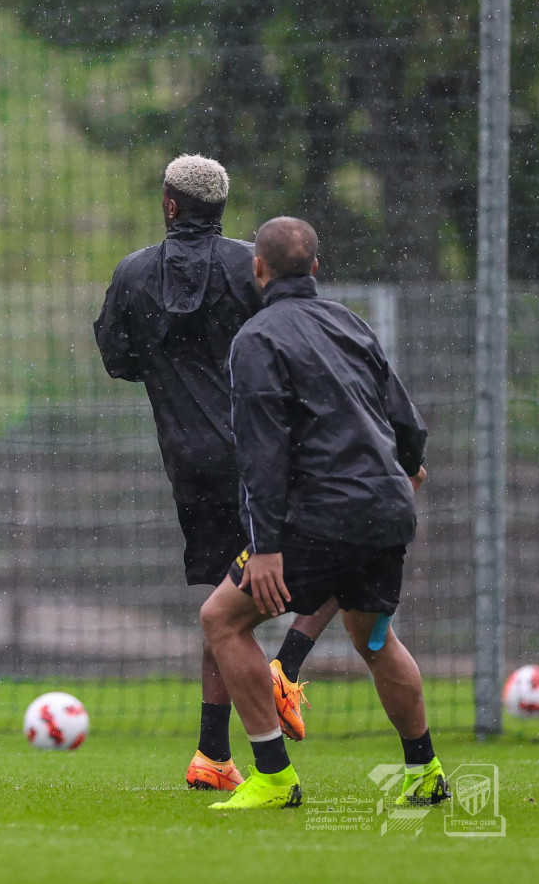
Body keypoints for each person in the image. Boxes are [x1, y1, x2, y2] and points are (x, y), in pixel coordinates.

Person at [94, 155, 337, 791]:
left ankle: (211, 754)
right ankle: (286, 668)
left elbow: (116, 358)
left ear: (170, 205)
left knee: (218, 608)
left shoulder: (133, 273)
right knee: (346, 556)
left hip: (190, 464)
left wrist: (171, 365)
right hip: (266, 457)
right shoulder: (249, 266)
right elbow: (289, 337)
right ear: (218, 208)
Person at [200, 216, 447, 811]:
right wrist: (409, 471)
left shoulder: (256, 339)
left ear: (257, 268)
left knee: (221, 620)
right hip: (386, 509)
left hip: (321, 513)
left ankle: (273, 777)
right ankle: (425, 770)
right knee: (374, 637)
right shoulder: (350, 323)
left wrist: (263, 546)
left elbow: (261, 449)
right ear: (315, 267)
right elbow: (406, 420)